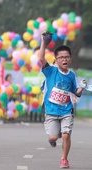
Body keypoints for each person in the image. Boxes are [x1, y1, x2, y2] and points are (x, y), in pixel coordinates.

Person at [38, 33, 87, 169]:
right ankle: (55, 134)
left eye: (66, 57)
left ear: (70, 59)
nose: (64, 60)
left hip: (66, 110)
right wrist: (43, 42)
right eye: (61, 57)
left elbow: (75, 92)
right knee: (53, 138)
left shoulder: (71, 74)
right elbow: (41, 58)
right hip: (51, 110)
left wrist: (82, 88)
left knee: (66, 135)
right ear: (56, 59)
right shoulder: (50, 71)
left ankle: (64, 159)